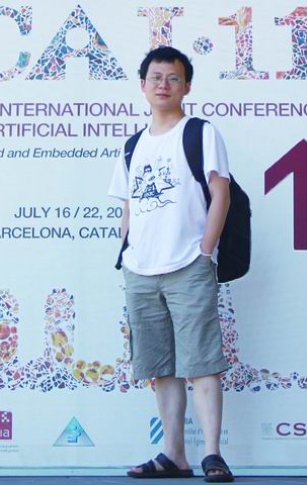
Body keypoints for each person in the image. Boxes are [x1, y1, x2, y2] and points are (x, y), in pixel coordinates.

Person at [108, 46, 234, 482]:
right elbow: (128, 205)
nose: (163, 85)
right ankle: (173, 456)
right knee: (160, 367)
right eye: (156, 78)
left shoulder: (200, 132)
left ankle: (212, 455)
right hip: (140, 270)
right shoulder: (132, 145)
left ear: (187, 86)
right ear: (143, 85)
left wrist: (205, 251)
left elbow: (221, 194)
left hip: (188, 265)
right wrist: (127, 253)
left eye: (173, 78)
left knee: (202, 362)